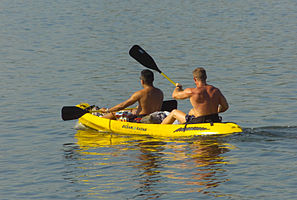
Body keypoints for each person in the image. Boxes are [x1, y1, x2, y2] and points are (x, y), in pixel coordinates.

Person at [161, 67, 229, 124]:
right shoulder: (216, 90)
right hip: (214, 119)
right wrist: (213, 111)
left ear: (194, 79)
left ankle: (160, 128)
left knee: (174, 112)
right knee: (192, 111)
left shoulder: (191, 91)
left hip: (199, 121)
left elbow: (174, 95)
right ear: (206, 77)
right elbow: (225, 106)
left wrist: (178, 88)